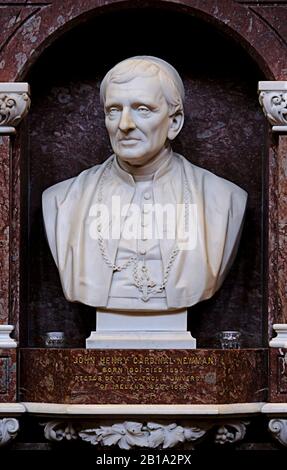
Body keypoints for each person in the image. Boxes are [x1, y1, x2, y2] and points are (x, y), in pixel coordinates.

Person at [42, 56, 247, 312]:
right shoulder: (63, 201)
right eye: (114, 110)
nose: (125, 125)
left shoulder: (222, 199)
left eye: (143, 109)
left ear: (174, 122)